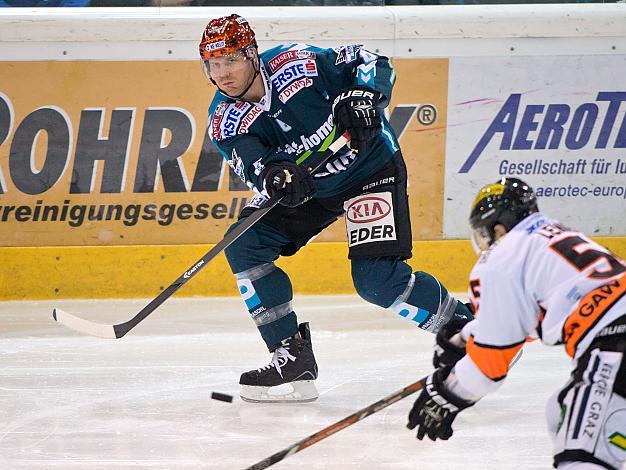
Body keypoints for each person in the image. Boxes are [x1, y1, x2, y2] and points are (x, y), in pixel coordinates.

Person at [200, 14, 473, 403]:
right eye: (213, 64)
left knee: (377, 282)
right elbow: (258, 168)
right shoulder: (225, 119)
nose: (223, 73)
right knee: (244, 242)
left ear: (252, 54)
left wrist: (363, 96)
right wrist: (278, 179)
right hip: (313, 188)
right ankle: (291, 357)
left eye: (231, 60)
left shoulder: (299, 63)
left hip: (369, 170)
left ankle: (468, 330)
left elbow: (372, 61)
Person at [407, 177, 626, 469]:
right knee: (559, 413)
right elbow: (530, 318)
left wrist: (448, 392)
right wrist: (467, 336)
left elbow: (491, 361)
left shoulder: (503, 256)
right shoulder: (552, 236)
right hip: (616, 329)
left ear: (497, 227)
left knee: (582, 459)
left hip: (615, 344)